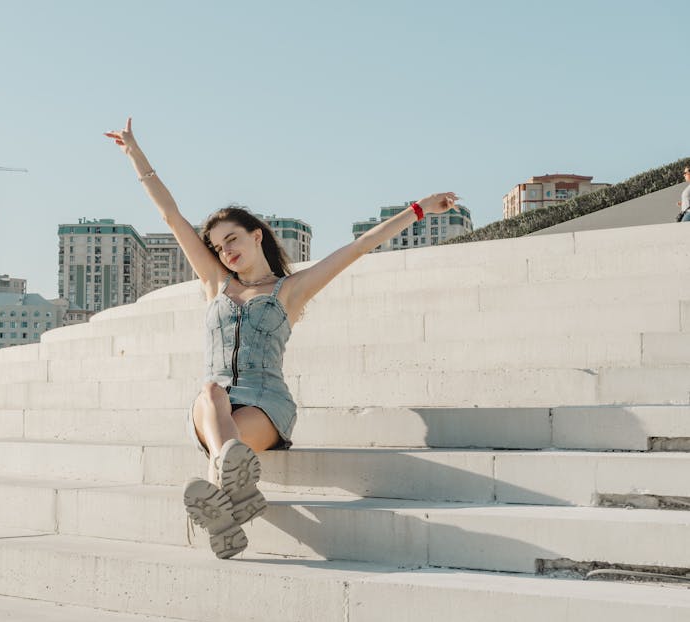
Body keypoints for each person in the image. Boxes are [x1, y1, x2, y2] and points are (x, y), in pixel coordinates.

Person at [106, 117, 458, 559]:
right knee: (210, 391)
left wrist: (420, 209)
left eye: (232, 239)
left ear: (256, 235)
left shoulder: (289, 290)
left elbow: (359, 246)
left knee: (219, 414)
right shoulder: (215, 283)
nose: (225, 251)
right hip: (213, 408)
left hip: (266, 408)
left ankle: (226, 490)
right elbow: (170, 216)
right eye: (217, 247)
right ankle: (233, 489)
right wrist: (135, 154)